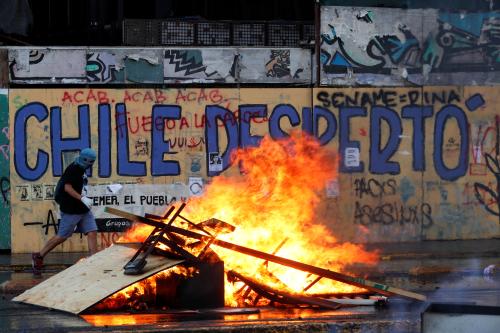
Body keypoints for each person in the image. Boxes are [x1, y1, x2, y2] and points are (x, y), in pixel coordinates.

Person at [32, 148, 98, 275]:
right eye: (90, 162)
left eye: (92, 162)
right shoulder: (74, 169)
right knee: (62, 236)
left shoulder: (81, 167)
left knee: (92, 232)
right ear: (85, 159)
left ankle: (94, 261)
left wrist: (83, 200)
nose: (90, 164)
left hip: (83, 209)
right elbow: (67, 188)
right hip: (71, 209)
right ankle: (39, 256)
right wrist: (82, 198)